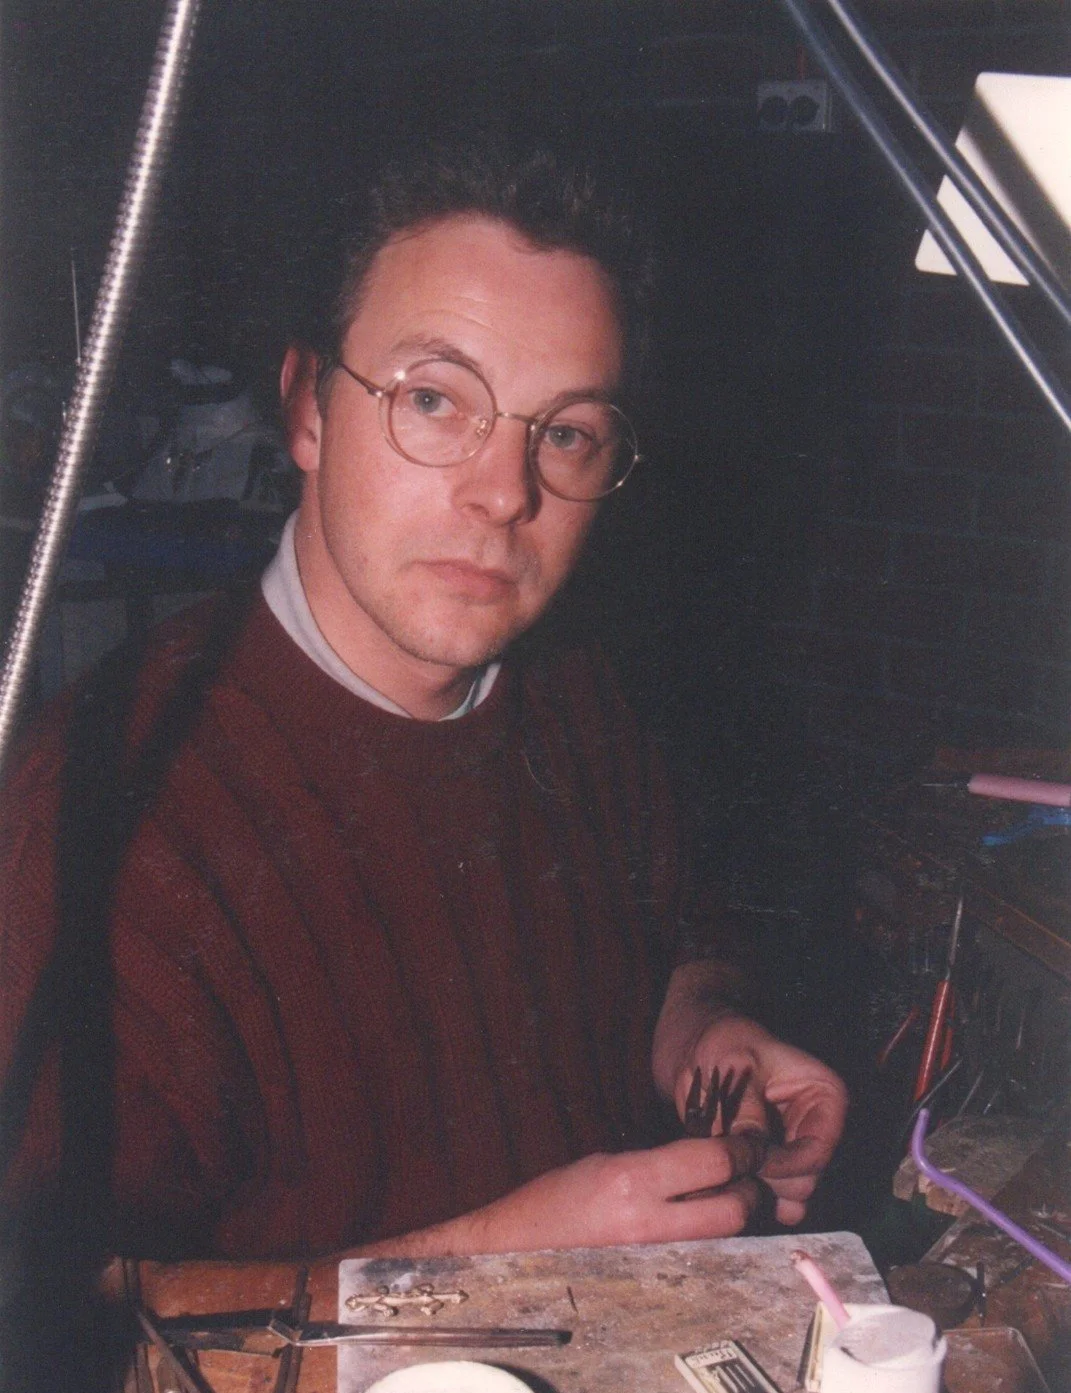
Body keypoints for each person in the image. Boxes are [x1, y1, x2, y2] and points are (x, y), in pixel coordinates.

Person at [0, 128, 846, 1261]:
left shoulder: (575, 690)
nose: (504, 494)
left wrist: (702, 1027)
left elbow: (682, 919)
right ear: (307, 410)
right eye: (437, 402)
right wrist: (489, 1263)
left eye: (569, 434)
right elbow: (54, 1359)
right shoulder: (93, 825)